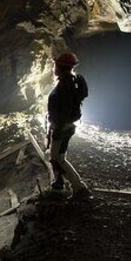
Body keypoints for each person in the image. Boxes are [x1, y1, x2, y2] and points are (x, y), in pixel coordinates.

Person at [47, 52, 91, 198]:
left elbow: (64, 110)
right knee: (59, 156)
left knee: (57, 159)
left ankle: (79, 188)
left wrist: (57, 129)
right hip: (66, 126)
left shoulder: (65, 85)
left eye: (55, 65)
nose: (54, 67)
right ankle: (58, 183)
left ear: (61, 67)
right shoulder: (69, 81)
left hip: (63, 127)